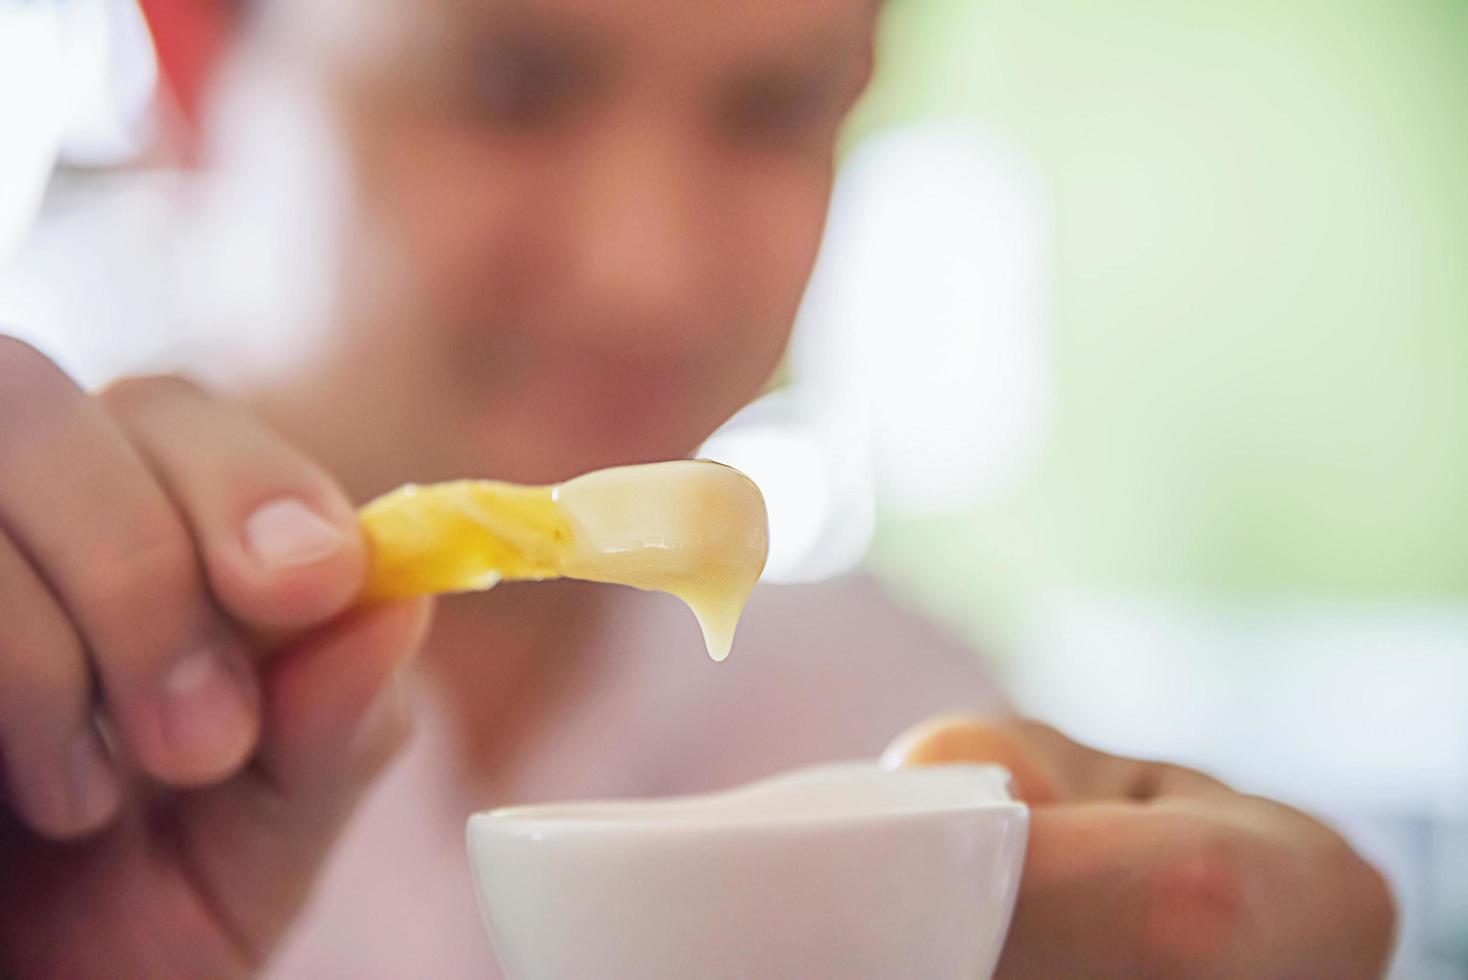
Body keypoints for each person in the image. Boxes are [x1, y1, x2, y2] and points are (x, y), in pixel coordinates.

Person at [0, 0, 1394, 976]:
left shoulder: (905, 724)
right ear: (189, 64)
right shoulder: (34, 726)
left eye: (775, 108)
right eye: (512, 82)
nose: (646, 268)